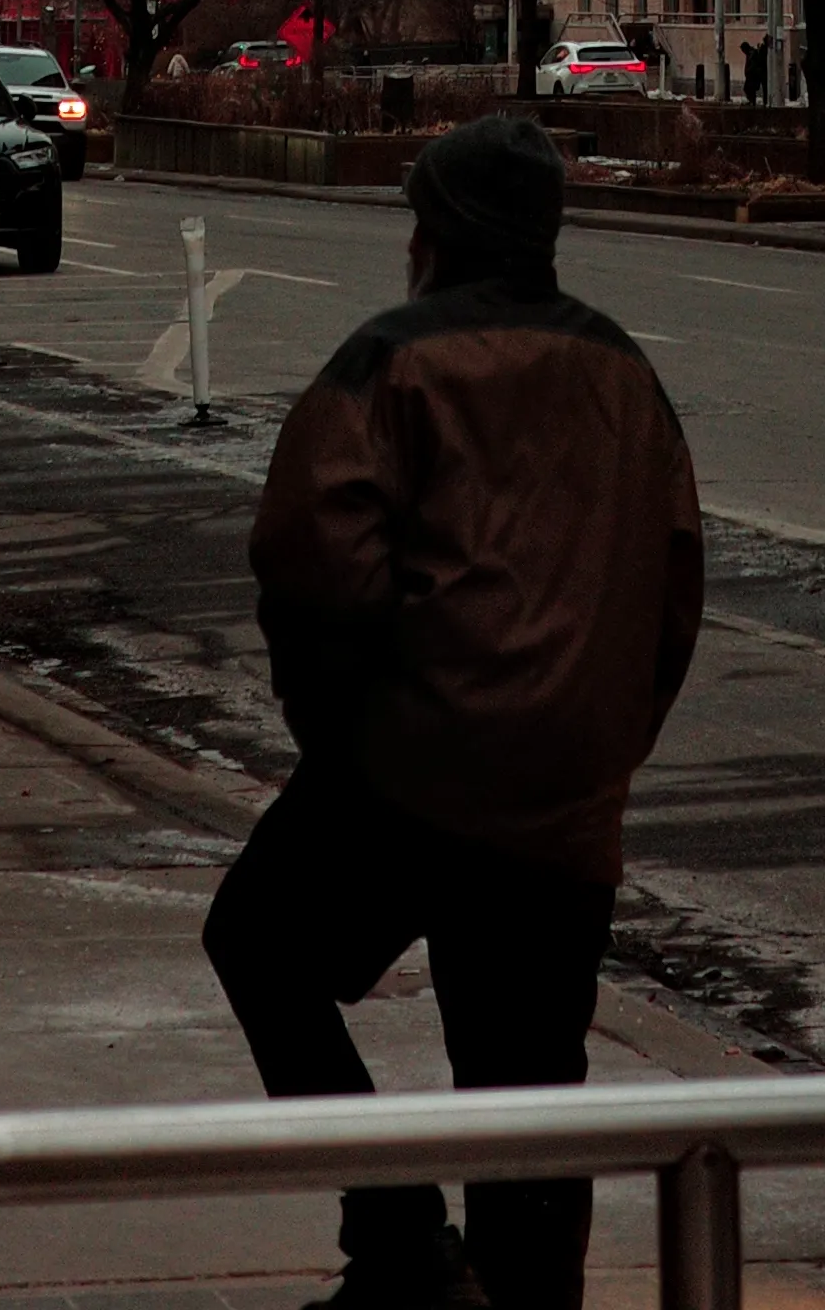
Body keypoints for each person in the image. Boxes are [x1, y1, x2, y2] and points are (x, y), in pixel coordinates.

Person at [201, 113, 702, 1310]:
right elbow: (673, 586)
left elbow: (309, 559)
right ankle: (521, 1293)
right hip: (566, 790)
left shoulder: (392, 362)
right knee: (527, 1078)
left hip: (413, 764)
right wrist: (603, 741)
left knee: (260, 944)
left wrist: (342, 732)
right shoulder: (625, 373)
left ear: (436, 232)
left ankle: (398, 1242)